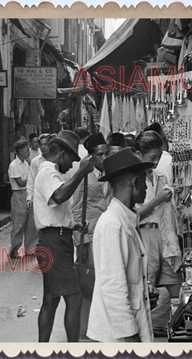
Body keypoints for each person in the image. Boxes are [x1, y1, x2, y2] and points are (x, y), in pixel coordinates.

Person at [87, 147, 157, 342]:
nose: (146, 188)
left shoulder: (124, 219)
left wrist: (143, 292)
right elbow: (112, 287)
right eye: (144, 181)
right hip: (118, 335)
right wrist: (129, 335)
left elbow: (127, 277)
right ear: (134, 182)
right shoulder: (112, 224)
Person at [33, 130, 94, 342]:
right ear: (61, 154)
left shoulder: (52, 173)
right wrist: (81, 173)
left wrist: (72, 225)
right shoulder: (48, 172)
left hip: (56, 238)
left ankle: (43, 348)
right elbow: (58, 196)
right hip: (53, 243)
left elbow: (54, 212)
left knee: (51, 299)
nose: (71, 165)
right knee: (74, 298)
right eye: (71, 159)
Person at [134, 130, 183, 336]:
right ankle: (143, 335)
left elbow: (168, 213)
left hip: (165, 235)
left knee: (176, 286)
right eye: (152, 158)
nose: (155, 163)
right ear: (138, 154)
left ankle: (176, 330)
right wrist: (158, 200)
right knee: (146, 289)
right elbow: (132, 217)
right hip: (144, 237)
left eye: (158, 158)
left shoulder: (161, 177)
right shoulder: (132, 181)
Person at [71, 132, 111, 338]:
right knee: (88, 283)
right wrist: (80, 239)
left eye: (106, 153)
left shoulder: (111, 173)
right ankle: (84, 328)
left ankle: (102, 326)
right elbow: (76, 207)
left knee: (105, 281)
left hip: (108, 233)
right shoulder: (84, 175)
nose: (104, 158)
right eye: (100, 155)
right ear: (91, 157)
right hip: (91, 233)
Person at [8, 139, 37, 258]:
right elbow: (20, 182)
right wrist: (32, 179)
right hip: (19, 195)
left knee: (31, 224)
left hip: (28, 193)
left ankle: (30, 249)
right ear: (20, 151)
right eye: (26, 149)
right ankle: (14, 250)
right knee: (18, 224)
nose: (29, 151)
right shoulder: (14, 165)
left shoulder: (26, 163)